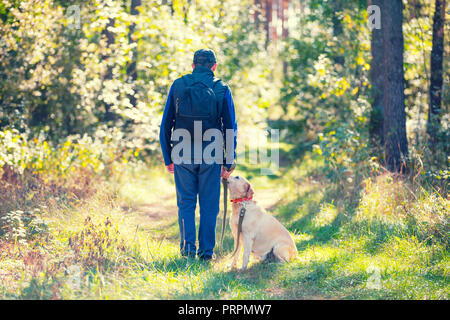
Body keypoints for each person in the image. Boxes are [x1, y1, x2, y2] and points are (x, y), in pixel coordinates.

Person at [159, 49, 237, 262]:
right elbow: (230, 127)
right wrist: (228, 161)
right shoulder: (221, 88)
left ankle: (187, 251)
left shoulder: (178, 85)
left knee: (186, 202)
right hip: (210, 155)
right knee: (209, 204)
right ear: (214, 66)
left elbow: (166, 124)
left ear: (193, 65)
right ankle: (206, 254)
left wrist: (168, 157)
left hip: (182, 152)